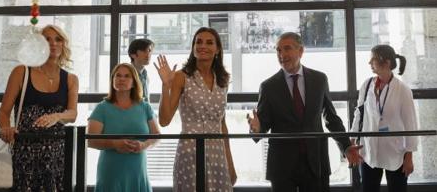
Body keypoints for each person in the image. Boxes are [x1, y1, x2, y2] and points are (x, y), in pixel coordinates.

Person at [247, 32, 363, 192]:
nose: (282, 54)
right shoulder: (268, 86)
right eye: (278, 50)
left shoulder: (319, 79)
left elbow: (331, 117)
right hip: (282, 165)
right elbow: (262, 125)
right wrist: (256, 128)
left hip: (315, 162)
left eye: (287, 48)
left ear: (301, 51)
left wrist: (346, 146)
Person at [0, 24, 79, 191]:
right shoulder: (21, 72)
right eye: (47, 39)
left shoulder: (71, 79)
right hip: (24, 150)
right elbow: (3, 112)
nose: (53, 43)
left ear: (63, 44)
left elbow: (72, 114)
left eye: (58, 39)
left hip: (57, 153)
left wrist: (56, 116)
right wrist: (6, 128)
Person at [155, 26, 236, 191]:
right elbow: (164, 120)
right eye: (198, 42)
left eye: (209, 42)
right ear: (193, 48)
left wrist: (230, 162)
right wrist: (165, 86)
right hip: (190, 151)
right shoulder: (181, 76)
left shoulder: (223, 80)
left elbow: (222, 124)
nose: (203, 46)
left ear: (217, 49)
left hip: (217, 153)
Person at [351, 45, 417, 192]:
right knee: (368, 188)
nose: (369, 63)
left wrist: (409, 157)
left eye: (372, 59)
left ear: (386, 63)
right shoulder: (367, 85)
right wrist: (352, 139)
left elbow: (410, 124)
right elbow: (359, 113)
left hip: (395, 152)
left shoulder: (402, 90)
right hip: (369, 150)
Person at [88, 63, 160, 191]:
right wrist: (114, 144)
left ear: (134, 82)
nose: (121, 79)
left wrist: (144, 145)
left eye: (127, 76)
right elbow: (91, 141)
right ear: (112, 80)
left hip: (137, 170)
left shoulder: (145, 107)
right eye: (118, 75)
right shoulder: (102, 108)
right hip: (110, 171)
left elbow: (157, 136)